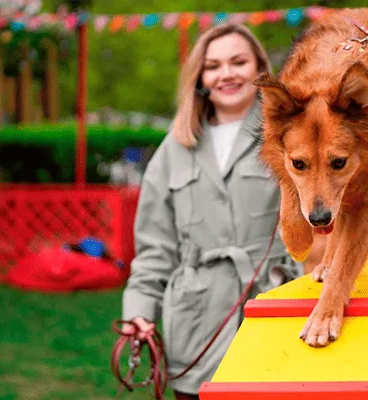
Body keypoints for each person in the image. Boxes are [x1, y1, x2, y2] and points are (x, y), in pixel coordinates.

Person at [120, 24, 310, 399]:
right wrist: (139, 311)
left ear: (260, 66)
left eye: (239, 62)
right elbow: (155, 248)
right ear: (201, 78)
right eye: (213, 66)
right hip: (195, 325)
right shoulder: (174, 148)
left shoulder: (292, 135)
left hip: (274, 310)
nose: (227, 74)